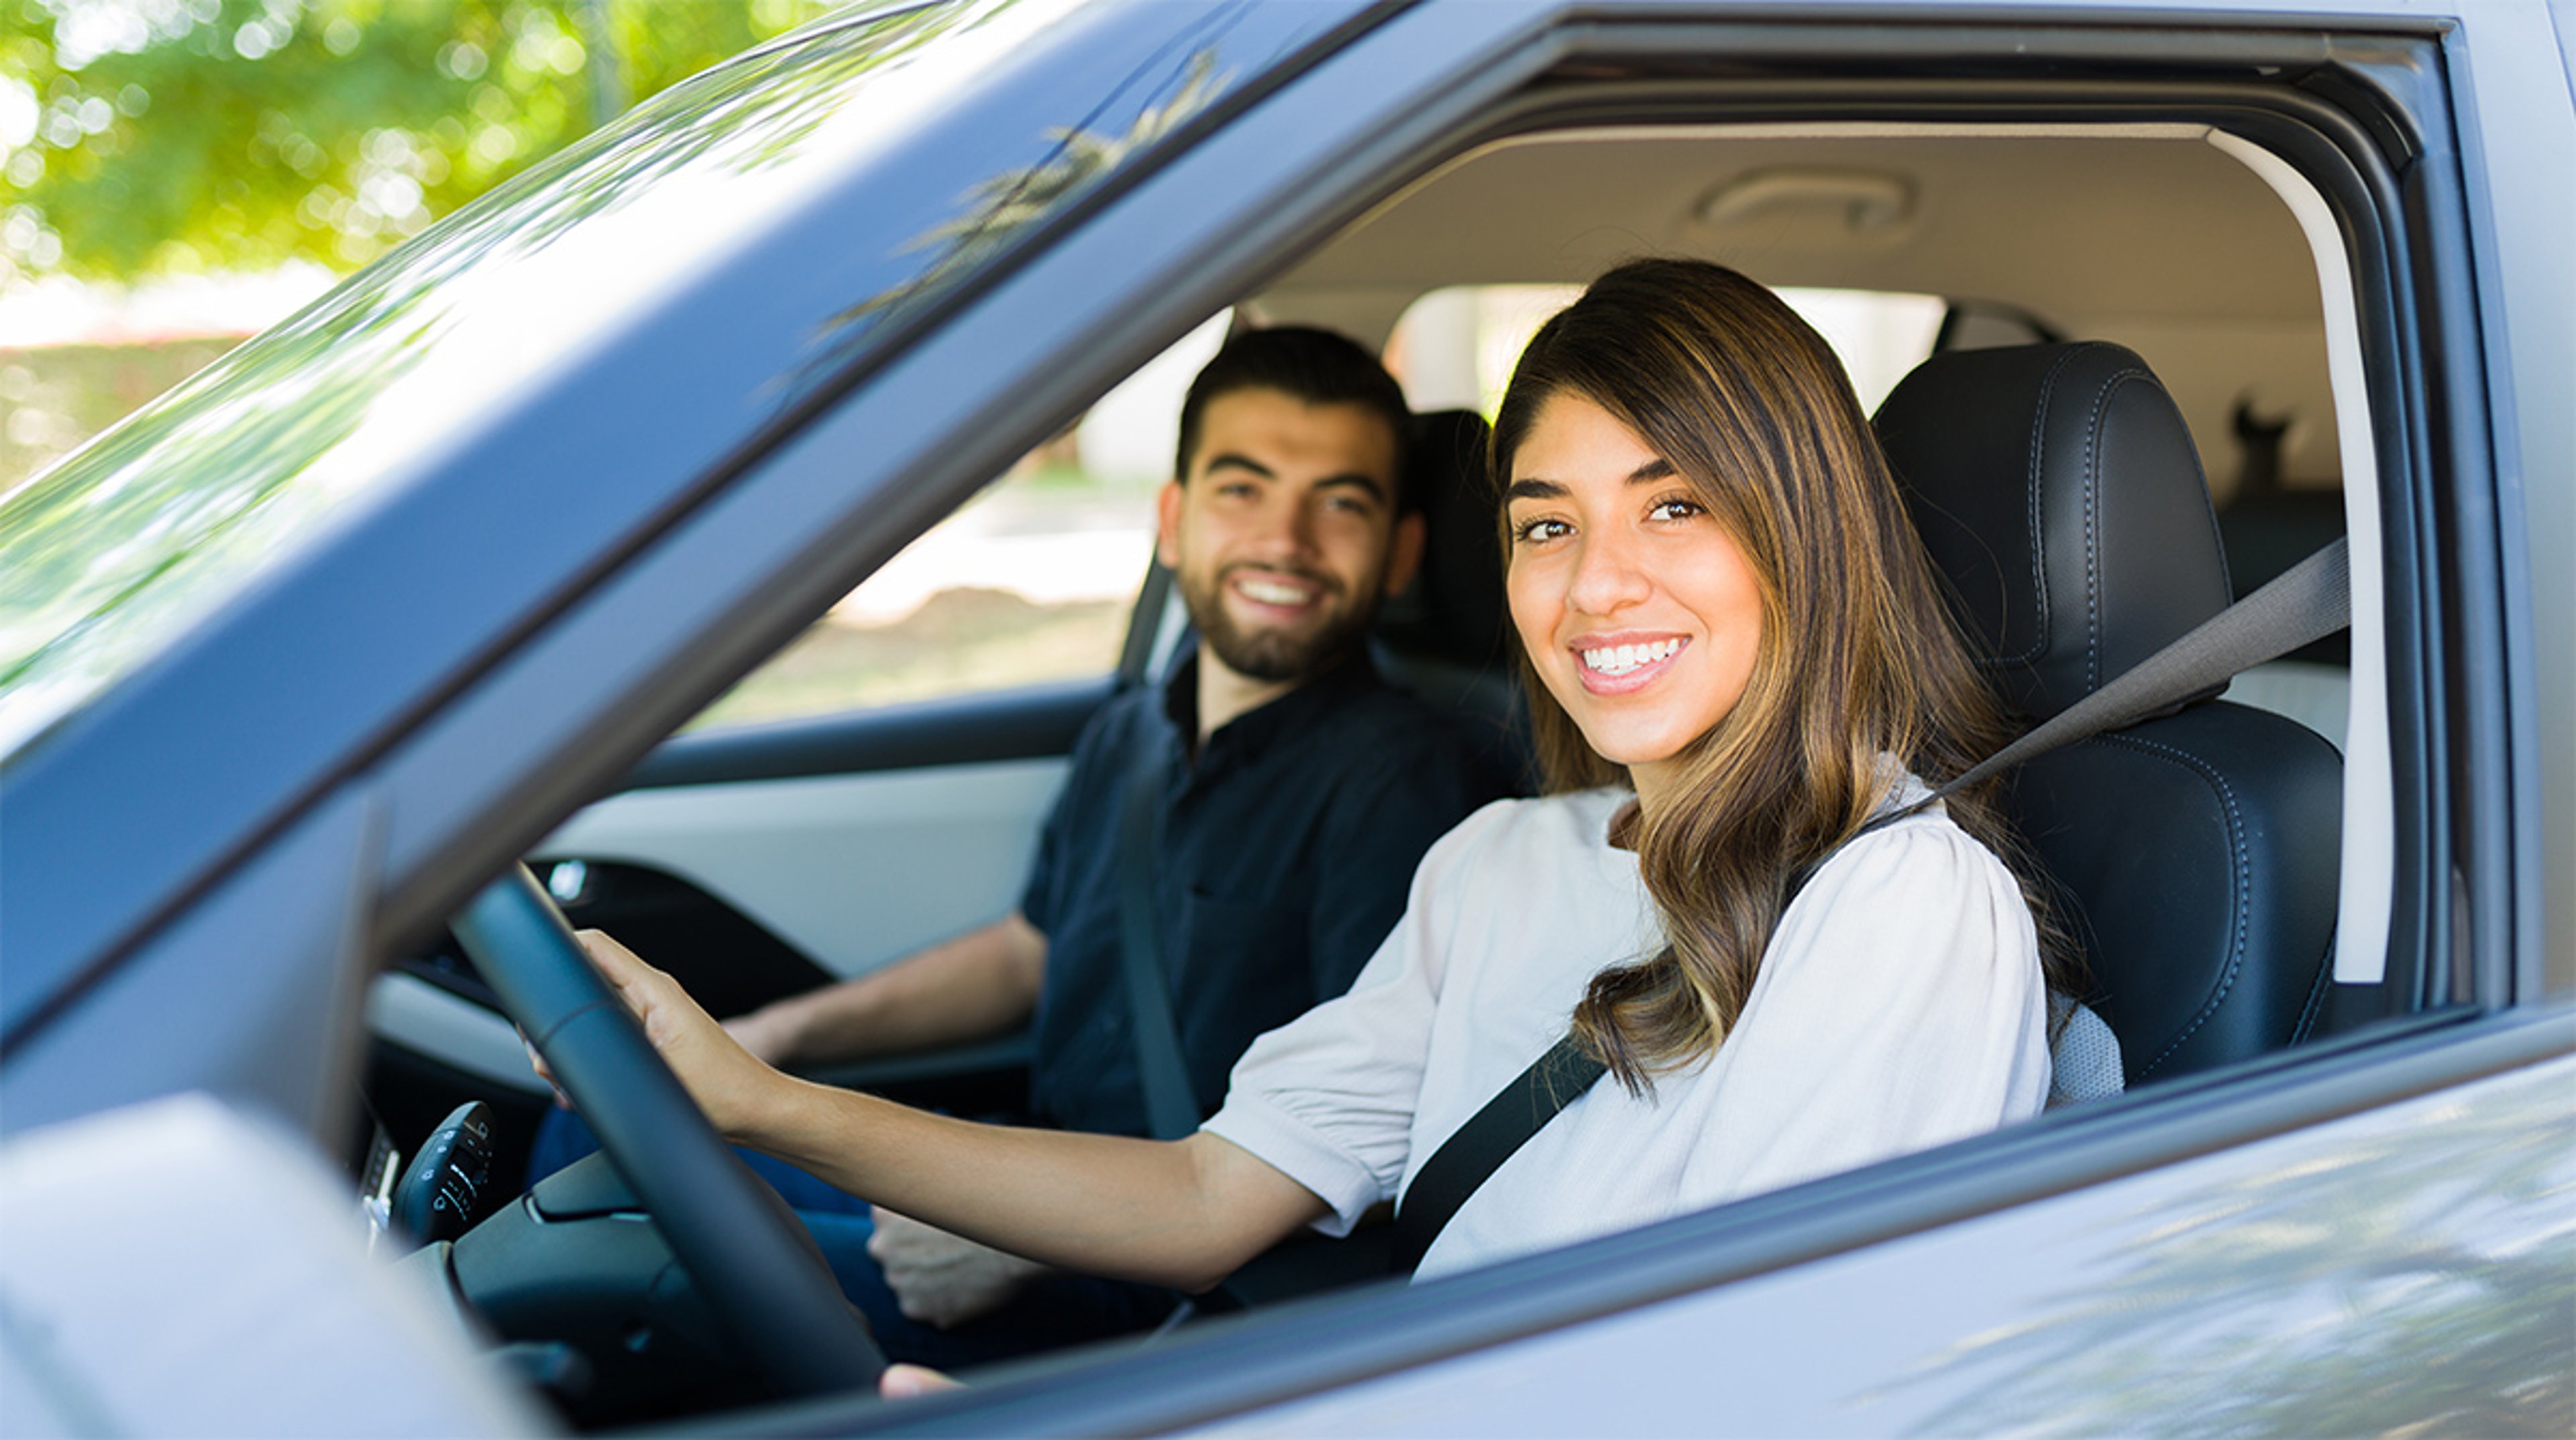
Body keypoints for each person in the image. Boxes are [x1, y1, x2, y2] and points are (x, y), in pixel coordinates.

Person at [549, 259, 2118, 1376]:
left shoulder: (1897, 907)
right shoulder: (1499, 862)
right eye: (1547, 524)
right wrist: (761, 1099)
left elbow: (1755, 1393)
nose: (1596, 584)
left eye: (1677, 507)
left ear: (1807, 535)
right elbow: (1210, 1194)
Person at [529, 325, 1505, 1368]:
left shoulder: (1407, 786)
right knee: (601, 1124)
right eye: (1242, 488)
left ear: (1401, 550)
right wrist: (774, 1036)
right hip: (1027, 1171)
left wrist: (1020, 1246)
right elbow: (1029, 952)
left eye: (1341, 503)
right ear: (1172, 522)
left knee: (625, 1261)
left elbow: (1361, 1145)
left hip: (1147, 1287)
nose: (1287, 539)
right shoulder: (1135, 728)